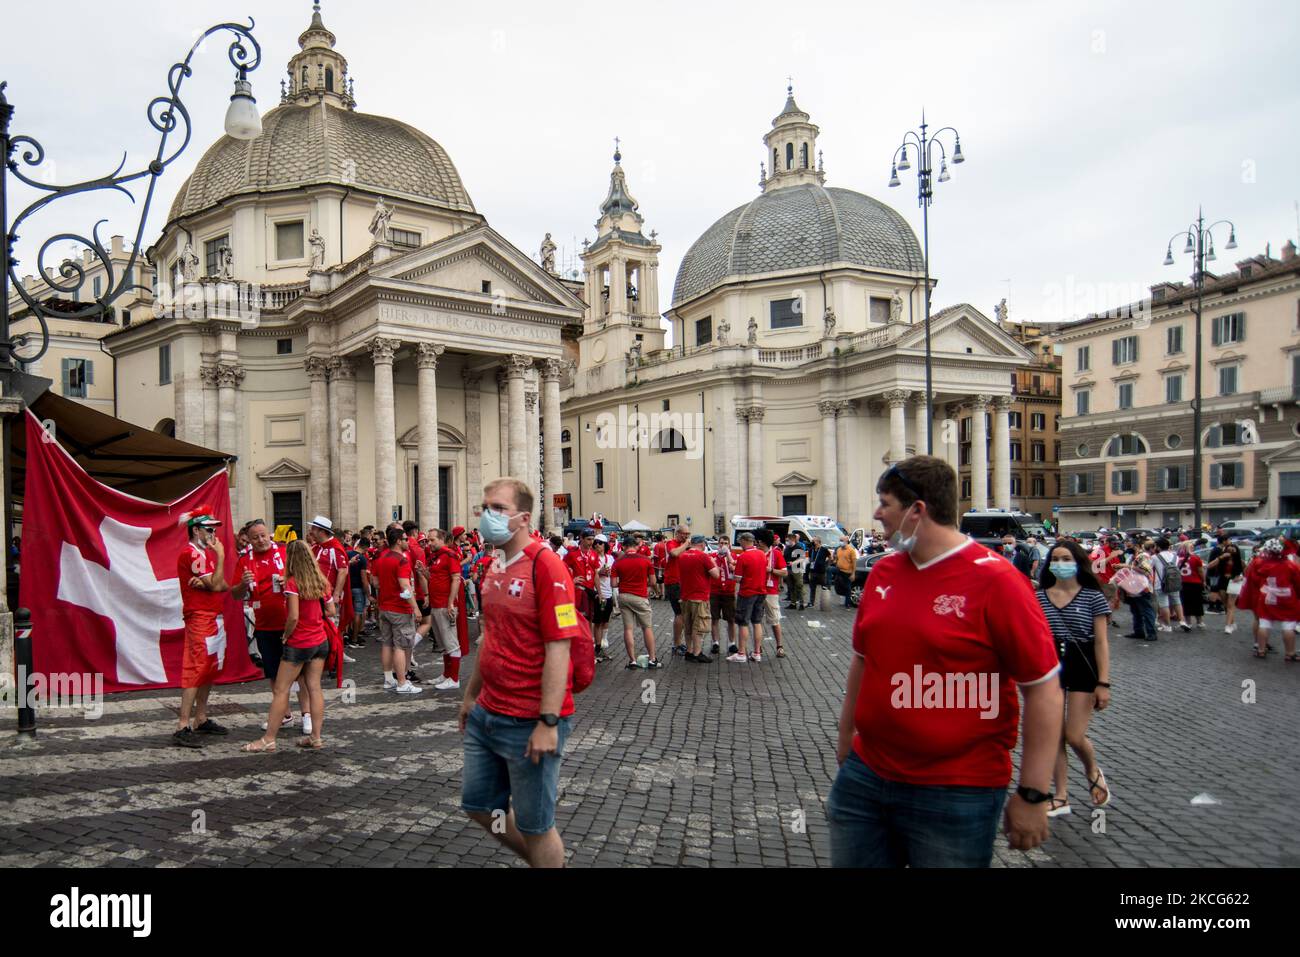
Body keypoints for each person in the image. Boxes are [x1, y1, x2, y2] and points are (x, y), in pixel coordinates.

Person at [829, 456, 1062, 867]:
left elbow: (1042, 688)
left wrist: (1033, 793)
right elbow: (863, 662)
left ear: (917, 510)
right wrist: (848, 740)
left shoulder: (998, 582)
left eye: (885, 503)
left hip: (957, 789)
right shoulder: (883, 573)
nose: (876, 514)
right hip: (866, 777)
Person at [459, 479, 581, 868]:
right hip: (487, 713)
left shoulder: (547, 565)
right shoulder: (493, 563)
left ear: (524, 518)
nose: (487, 516)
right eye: (484, 507)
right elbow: (489, 638)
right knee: (478, 806)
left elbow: (559, 646)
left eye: (497, 508)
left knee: (536, 826)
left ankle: (548, 860)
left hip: (529, 719)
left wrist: (547, 721)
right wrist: (470, 696)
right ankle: (545, 862)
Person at [1035, 539, 1112, 819]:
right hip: (1051, 665)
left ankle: (1092, 769)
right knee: (1054, 735)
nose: (1060, 564)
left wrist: (1103, 683)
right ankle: (1060, 795)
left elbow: (1102, 643)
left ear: (1078, 563)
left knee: (1073, 735)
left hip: (1082, 664)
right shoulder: (1040, 596)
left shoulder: (1093, 596)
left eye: (1066, 559)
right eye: (1055, 559)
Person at [242, 540, 335, 752]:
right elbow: (331, 611)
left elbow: (293, 616)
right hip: (319, 640)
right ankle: (316, 737)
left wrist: (286, 634)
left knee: (281, 689)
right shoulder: (321, 581)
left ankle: (269, 738)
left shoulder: (293, 583)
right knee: (314, 688)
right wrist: (314, 617)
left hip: (299, 642)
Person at [232, 521, 309, 732]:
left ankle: (307, 715)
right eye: (255, 537)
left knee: (301, 673)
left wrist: (291, 582)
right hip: (265, 625)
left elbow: (306, 581)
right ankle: (284, 715)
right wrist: (242, 584)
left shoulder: (285, 553)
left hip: (291, 623)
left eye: (263, 535)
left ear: (270, 534)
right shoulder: (245, 560)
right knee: (274, 674)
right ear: (249, 539)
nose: (260, 540)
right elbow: (235, 594)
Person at [172, 506, 232, 748]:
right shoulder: (194, 554)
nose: (213, 534)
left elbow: (223, 585)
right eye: (209, 529)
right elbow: (218, 586)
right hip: (201, 616)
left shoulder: (203, 553)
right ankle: (183, 724)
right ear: (196, 530)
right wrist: (222, 557)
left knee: (208, 668)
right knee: (196, 668)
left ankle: (200, 717)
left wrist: (212, 581)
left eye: (214, 529)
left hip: (212, 616)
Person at [372, 525, 423, 694]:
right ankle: (402, 682)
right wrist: (415, 608)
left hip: (384, 606)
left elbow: (375, 582)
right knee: (401, 646)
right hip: (399, 608)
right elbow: (405, 587)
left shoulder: (380, 558)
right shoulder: (401, 560)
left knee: (387, 643)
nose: (408, 542)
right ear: (398, 541)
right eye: (405, 539)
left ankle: (389, 679)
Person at [1237, 538, 1300, 660]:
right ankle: (1290, 653)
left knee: (1265, 623)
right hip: (1286, 597)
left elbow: (1254, 579)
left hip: (1267, 596)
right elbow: (1298, 583)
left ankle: (1261, 649)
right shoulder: (1290, 565)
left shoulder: (1261, 563)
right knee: (1288, 626)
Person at [424, 528, 464, 690]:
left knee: (451, 642)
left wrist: (450, 603)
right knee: (443, 643)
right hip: (436, 604)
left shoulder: (449, 555)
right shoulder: (436, 557)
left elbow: (456, 579)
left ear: (441, 539)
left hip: (444, 605)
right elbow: (434, 578)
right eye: (428, 540)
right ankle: (446, 674)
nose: (429, 543)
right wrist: (423, 572)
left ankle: (454, 679)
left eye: (432, 540)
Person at [612, 535, 659, 668]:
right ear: (637, 547)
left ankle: (632, 660)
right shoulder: (645, 560)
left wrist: (624, 582)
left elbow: (614, 584)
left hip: (624, 596)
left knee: (628, 629)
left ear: (623, 547)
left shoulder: (618, 562)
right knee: (647, 627)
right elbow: (653, 581)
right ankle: (652, 659)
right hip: (640, 596)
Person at [677, 535, 719, 662]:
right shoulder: (703, 556)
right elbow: (716, 575)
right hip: (699, 597)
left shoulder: (683, 556)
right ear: (702, 544)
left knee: (688, 626)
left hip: (685, 596)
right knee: (698, 626)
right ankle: (697, 652)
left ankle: (689, 651)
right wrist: (714, 564)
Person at [730, 532, 767, 663]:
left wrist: (732, 570)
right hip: (761, 591)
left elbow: (738, 579)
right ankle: (757, 652)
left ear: (745, 541)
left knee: (743, 622)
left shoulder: (743, 557)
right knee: (757, 622)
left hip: (747, 592)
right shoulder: (762, 554)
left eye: (740, 541)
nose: (740, 544)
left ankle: (741, 653)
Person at [758, 528, 788, 659]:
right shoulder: (756, 553)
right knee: (757, 620)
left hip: (770, 591)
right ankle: (757, 647)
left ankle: (779, 646)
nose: (756, 543)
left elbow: (784, 572)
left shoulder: (776, 553)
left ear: (763, 542)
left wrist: (771, 570)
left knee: (774, 620)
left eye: (758, 541)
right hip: (757, 590)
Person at [663, 525, 691, 654]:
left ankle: (679, 643)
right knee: (680, 614)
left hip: (684, 582)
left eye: (688, 534)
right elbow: (674, 553)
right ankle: (677, 644)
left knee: (683, 614)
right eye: (685, 534)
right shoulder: (671, 543)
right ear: (678, 533)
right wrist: (686, 544)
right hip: (674, 582)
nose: (687, 536)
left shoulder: (684, 545)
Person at [1152, 537, 1189, 633]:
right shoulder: (1175, 556)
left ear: (1158, 547)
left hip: (1160, 584)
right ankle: (1182, 621)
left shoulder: (1155, 557)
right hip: (1174, 582)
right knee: (1177, 601)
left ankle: (1167, 625)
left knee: (1164, 604)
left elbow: (1149, 568)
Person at [709, 540, 737, 656]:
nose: (723, 545)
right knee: (714, 618)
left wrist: (730, 559)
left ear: (729, 545)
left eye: (725, 543)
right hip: (714, 591)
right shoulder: (712, 556)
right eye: (721, 543)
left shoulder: (734, 556)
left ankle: (732, 643)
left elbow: (737, 570)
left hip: (729, 592)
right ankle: (715, 643)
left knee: (731, 619)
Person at [591, 535, 616, 661]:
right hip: (597, 593)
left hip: (609, 593)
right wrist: (600, 572)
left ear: (605, 545)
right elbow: (591, 574)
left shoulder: (610, 558)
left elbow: (613, 573)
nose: (597, 545)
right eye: (595, 542)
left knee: (606, 620)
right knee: (598, 622)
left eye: (600, 543)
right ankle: (597, 648)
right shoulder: (592, 557)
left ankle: (602, 646)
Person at [345, 535, 370, 649]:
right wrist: (368, 594)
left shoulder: (347, 553)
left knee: (348, 612)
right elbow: (364, 579)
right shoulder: (362, 559)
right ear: (365, 548)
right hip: (358, 588)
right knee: (358, 613)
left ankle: (347, 634)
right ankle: (354, 639)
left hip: (347, 587)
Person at [1176, 540, 1207, 629]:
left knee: (1185, 603)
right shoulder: (1195, 558)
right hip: (1195, 582)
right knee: (1197, 602)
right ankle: (1199, 622)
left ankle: (1188, 622)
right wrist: (1204, 581)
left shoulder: (1178, 558)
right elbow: (1200, 571)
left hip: (1182, 582)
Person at [834, 535, 858, 608]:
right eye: (840, 540)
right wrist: (835, 562)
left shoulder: (851, 550)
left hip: (847, 572)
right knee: (838, 586)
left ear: (846, 541)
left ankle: (847, 604)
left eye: (842, 540)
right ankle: (843, 599)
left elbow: (854, 563)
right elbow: (837, 559)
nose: (840, 542)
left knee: (848, 588)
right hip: (839, 571)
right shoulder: (838, 549)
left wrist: (853, 573)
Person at [785, 534, 807, 610]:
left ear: (793, 540)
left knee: (799, 586)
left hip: (796, 569)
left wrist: (793, 563)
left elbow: (802, 558)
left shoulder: (798, 547)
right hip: (788, 569)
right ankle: (793, 603)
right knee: (791, 587)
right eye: (786, 540)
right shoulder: (787, 548)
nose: (787, 542)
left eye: (788, 540)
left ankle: (802, 604)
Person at [807, 536, 830, 609]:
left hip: (821, 572)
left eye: (813, 541)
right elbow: (810, 558)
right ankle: (811, 602)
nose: (812, 542)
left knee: (824, 587)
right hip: (813, 571)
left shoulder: (824, 549)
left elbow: (830, 557)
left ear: (818, 542)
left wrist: (827, 565)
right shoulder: (811, 550)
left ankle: (825, 602)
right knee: (812, 588)